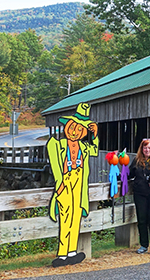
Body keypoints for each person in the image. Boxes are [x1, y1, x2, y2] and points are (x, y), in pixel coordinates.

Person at [47, 102, 98, 267]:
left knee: (76, 216)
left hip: (79, 183)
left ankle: (72, 252)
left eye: (80, 129)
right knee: (65, 217)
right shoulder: (57, 144)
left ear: (84, 132)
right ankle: (62, 254)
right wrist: (60, 184)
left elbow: (95, 151)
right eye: (72, 127)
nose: (75, 132)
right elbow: (55, 164)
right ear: (67, 127)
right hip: (66, 181)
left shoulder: (84, 146)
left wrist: (95, 135)